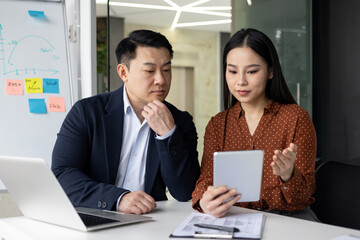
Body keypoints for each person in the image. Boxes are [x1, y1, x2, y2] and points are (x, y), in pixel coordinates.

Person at [52, 29, 200, 215]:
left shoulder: (180, 121)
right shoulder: (87, 112)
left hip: (149, 223)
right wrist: (117, 198)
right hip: (94, 215)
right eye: (149, 71)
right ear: (123, 72)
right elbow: (62, 174)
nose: (161, 80)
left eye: (166, 70)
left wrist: (168, 134)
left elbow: (184, 191)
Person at [191, 28, 318, 221]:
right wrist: (204, 201)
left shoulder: (296, 118)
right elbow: (205, 181)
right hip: (236, 217)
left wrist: (288, 174)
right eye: (232, 71)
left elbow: (304, 196)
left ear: (271, 71)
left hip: (290, 219)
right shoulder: (218, 124)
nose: (240, 81)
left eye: (251, 71)